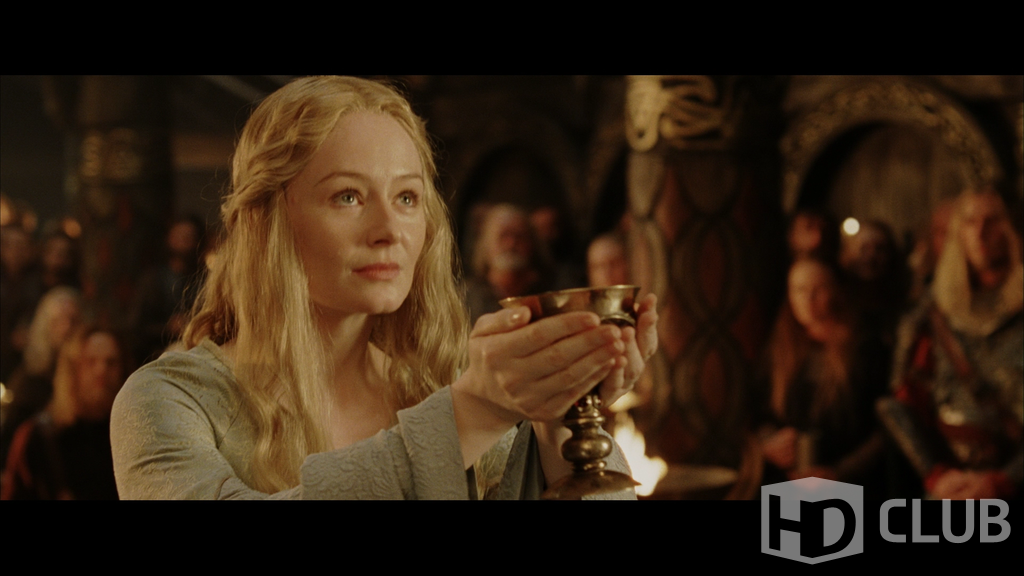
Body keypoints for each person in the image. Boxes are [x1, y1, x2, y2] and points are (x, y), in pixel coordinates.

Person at [110, 76, 658, 500]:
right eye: (348, 196)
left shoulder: (434, 384)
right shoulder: (170, 400)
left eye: (406, 198)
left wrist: (566, 412)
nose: (389, 230)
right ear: (268, 221)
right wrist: (470, 416)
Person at [879, 188, 1022, 499]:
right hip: (951, 485)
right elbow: (901, 402)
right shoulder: (932, 314)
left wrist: (1004, 480)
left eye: (992, 220)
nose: (980, 232)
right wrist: (938, 474)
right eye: (970, 221)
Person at [753, 258, 889, 497]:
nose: (808, 299)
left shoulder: (865, 349)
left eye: (819, 289)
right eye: (799, 289)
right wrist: (770, 443)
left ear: (837, 290)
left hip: (849, 488)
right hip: (789, 486)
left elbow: (884, 430)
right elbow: (761, 413)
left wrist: (839, 473)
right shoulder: (780, 349)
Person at [1, 325, 125, 499]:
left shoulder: (129, 435)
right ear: (72, 370)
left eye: (111, 362)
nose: (101, 370)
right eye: (90, 362)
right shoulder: (37, 437)